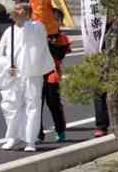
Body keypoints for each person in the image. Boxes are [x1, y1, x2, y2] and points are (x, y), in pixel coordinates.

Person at [0, 1, 55, 152]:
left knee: (32, 107)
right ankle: (12, 137)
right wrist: (6, 65)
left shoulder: (37, 27)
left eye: (19, 8)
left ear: (28, 12)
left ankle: (30, 140)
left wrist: (23, 21)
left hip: (32, 74)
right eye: (15, 8)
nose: (15, 11)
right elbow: (1, 53)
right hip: (13, 74)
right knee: (9, 105)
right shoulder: (8, 31)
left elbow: (30, 35)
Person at [38, 8, 71, 143]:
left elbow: (59, 55)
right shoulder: (38, 35)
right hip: (37, 74)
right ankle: (37, 133)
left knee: (54, 103)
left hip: (52, 73)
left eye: (56, 19)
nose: (53, 22)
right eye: (51, 19)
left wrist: (47, 42)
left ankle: (60, 131)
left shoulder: (61, 38)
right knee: (36, 105)